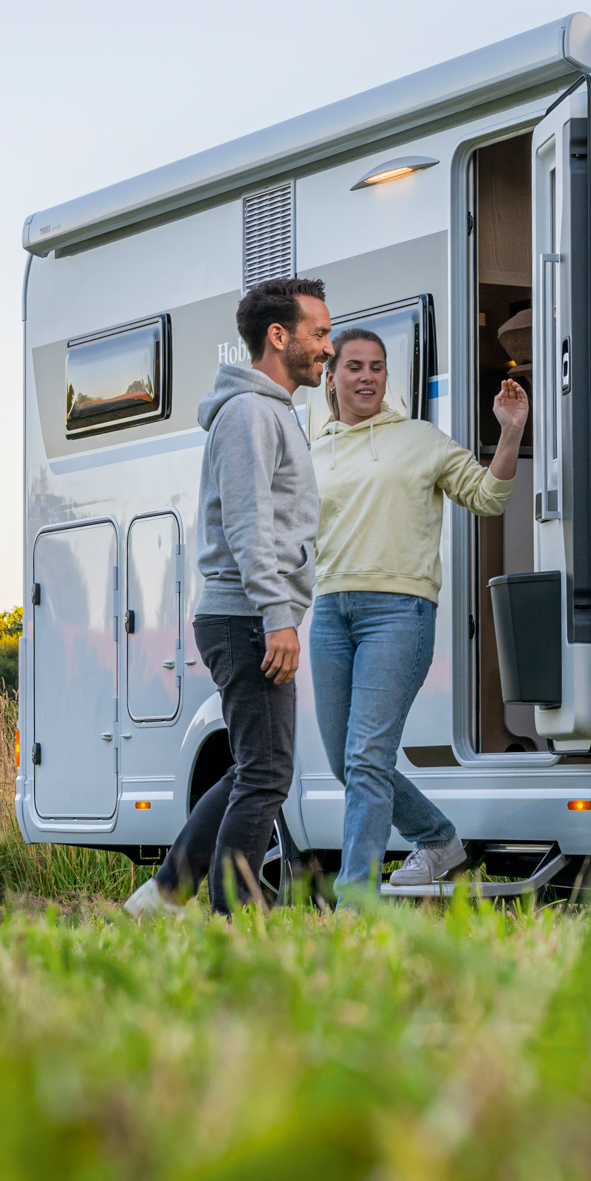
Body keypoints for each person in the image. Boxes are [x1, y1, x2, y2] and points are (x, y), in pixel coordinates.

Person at [128, 275, 329, 916]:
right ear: (279, 335)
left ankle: (165, 895)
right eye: (319, 333)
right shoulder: (249, 414)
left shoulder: (271, 413)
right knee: (268, 775)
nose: (327, 347)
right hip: (246, 616)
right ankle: (232, 917)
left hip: (246, 614)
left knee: (253, 767)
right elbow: (248, 525)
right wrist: (278, 616)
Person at [310, 329, 526, 893]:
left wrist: (510, 434)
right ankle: (438, 840)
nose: (366, 377)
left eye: (377, 367)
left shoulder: (419, 439)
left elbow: (487, 497)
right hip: (330, 614)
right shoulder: (315, 451)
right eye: (354, 366)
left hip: (398, 614)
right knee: (346, 763)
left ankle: (354, 900)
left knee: (366, 756)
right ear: (331, 377)